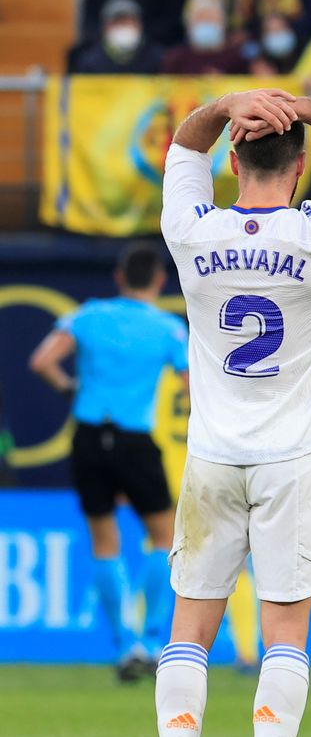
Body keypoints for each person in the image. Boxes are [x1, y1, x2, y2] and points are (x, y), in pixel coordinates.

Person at [154, 88, 311, 737]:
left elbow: (183, 144)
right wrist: (305, 106)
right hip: (292, 457)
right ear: (301, 168)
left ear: (234, 160)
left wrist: (231, 101)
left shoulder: (193, 231)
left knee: (189, 628)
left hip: (211, 454)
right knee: (284, 636)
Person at [28, 243, 188, 683]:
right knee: (164, 536)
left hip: (87, 437)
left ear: (119, 277)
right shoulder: (168, 329)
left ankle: (123, 645)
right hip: (136, 439)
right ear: (159, 280)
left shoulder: (87, 317)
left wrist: (69, 389)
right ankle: (153, 641)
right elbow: (192, 387)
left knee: (104, 542)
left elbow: (42, 361)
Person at [71, 0, 166, 75]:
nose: (123, 27)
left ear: (140, 25)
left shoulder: (158, 58)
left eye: (128, 22)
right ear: (105, 27)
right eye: (117, 23)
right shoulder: (89, 60)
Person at [161, 0, 250, 75]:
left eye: (212, 19)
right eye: (201, 19)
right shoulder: (175, 59)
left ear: (223, 24)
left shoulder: (239, 59)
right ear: (188, 24)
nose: (207, 24)